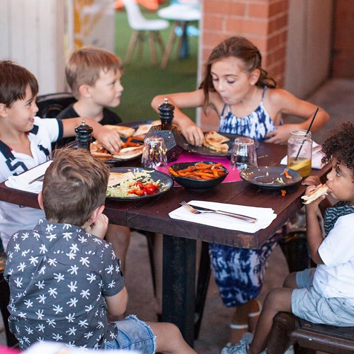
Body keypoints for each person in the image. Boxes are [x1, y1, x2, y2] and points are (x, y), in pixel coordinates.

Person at [151, 36, 330, 344]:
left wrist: (295, 129)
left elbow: (320, 114)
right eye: (216, 79)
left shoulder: (273, 99)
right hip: (232, 194)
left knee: (244, 249)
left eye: (230, 80)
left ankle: (241, 310)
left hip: (271, 197)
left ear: (253, 76)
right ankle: (247, 306)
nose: (221, 87)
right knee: (221, 242)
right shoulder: (218, 98)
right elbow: (159, 99)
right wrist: (179, 118)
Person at [4, 147, 197, 353]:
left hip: (35, 347)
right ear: (97, 213)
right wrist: (97, 243)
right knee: (172, 334)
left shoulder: (18, 242)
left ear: (41, 200)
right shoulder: (98, 251)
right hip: (91, 347)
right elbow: (118, 308)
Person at [221, 121, 354, 354]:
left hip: (342, 304)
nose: (330, 177)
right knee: (292, 280)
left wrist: (311, 213)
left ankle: (252, 351)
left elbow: (317, 255)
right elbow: (335, 221)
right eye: (332, 168)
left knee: (275, 298)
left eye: (338, 173)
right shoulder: (348, 210)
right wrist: (322, 199)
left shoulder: (350, 225)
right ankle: (282, 342)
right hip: (342, 285)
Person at [0, 60, 123, 253]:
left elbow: (82, 121)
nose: (36, 109)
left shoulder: (39, 129)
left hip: (63, 228)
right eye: (28, 104)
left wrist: (99, 131)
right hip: (24, 243)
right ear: (4, 110)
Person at [55, 46, 130, 272]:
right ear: (86, 90)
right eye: (112, 83)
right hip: (76, 204)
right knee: (118, 230)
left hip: (111, 197)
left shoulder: (112, 119)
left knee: (125, 229)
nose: (121, 87)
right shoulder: (65, 124)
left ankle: (115, 290)